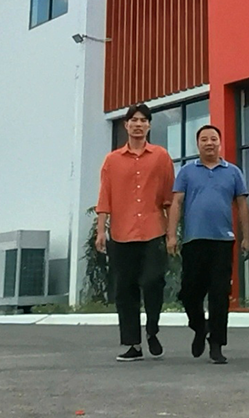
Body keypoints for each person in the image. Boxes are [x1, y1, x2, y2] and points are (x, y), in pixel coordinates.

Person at [166, 124, 249, 364]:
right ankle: (199, 326)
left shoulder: (233, 172)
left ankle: (217, 344)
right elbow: (176, 203)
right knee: (189, 292)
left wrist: (246, 236)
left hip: (223, 241)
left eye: (213, 139)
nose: (209, 143)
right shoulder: (187, 171)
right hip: (194, 240)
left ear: (220, 142)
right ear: (198, 144)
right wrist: (171, 235)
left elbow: (242, 206)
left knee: (219, 294)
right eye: (204, 139)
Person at [95, 103, 175, 362]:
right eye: (134, 120)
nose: (138, 124)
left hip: (153, 230)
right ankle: (133, 343)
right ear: (126, 125)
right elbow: (105, 197)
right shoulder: (112, 160)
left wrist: (172, 233)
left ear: (149, 125)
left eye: (143, 120)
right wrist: (100, 231)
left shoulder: (161, 156)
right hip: (122, 233)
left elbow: (169, 197)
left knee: (153, 281)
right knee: (125, 289)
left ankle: (152, 329)